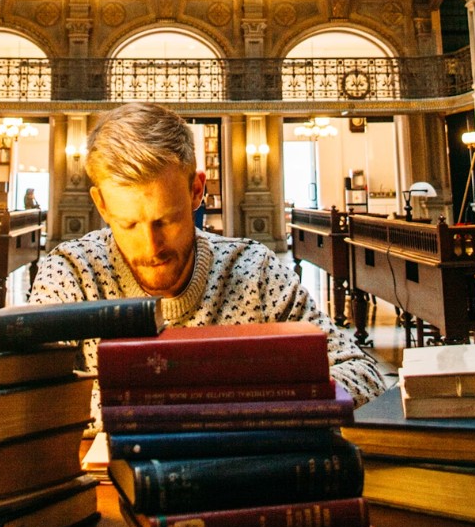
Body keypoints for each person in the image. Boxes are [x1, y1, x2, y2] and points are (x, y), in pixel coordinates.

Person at [23, 101, 390, 404]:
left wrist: (257, 406)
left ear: (197, 191)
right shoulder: (71, 274)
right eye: (129, 225)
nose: (152, 248)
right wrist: (200, 407)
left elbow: (361, 374)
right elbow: (29, 398)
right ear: (102, 205)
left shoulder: (254, 272)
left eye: (167, 220)